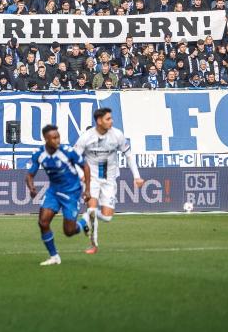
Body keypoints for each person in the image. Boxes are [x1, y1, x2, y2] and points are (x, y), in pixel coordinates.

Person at [73, 108, 144, 254]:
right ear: (99, 121)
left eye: (111, 118)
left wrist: (137, 176)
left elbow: (129, 155)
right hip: (91, 179)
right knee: (92, 208)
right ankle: (93, 245)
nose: (111, 121)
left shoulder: (117, 135)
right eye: (108, 119)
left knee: (107, 217)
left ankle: (85, 218)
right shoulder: (86, 137)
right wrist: (80, 174)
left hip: (110, 179)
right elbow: (73, 157)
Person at [25, 124, 91, 266]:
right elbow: (30, 175)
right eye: (54, 138)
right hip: (53, 192)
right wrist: (31, 188)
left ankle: (85, 221)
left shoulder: (67, 152)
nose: (57, 140)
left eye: (58, 137)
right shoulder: (39, 154)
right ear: (46, 139)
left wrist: (87, 190)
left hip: (71, 192)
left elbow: (85, 166)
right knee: (43, 222)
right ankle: (54, 256)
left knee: (69, 231)